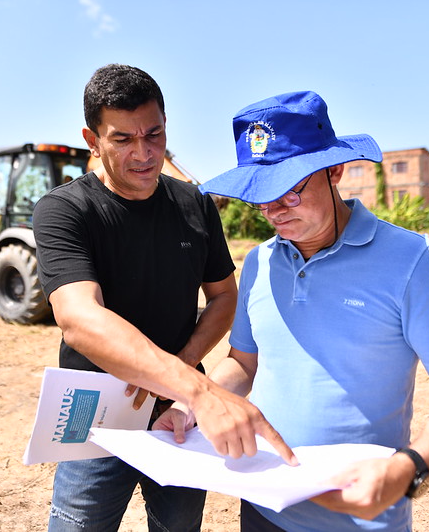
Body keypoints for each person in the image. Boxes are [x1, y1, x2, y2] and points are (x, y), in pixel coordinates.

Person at [154, 91, 429, 531]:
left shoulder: (414, 262)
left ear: (334, 170)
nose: (273, 211)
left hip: (359, 520)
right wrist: (191, 406)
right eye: (260, 197)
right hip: (264, 506)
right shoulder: (259, 262)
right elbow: (244, 363)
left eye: (289, 192)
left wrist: (408, 470)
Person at [32, 64, 295, 532]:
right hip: (96, 413)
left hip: (176, 416)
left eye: (153, 134)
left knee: (178, 525)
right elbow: (80, 319)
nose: (143, 153)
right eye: (122, 140)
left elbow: (222, 297)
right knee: (78, 523)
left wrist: (183, 365)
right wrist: (195, 387)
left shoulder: (194, 205)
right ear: (92, 140)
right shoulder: (64, 210)